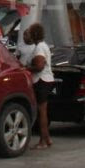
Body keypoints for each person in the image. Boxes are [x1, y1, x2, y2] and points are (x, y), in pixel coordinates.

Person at [22, 22, 55, 150]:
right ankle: (47, 138)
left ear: (34, 35)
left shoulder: (39, 48)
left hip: (41, 81)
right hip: (46, 80)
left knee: (41, 112)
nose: (27, 36)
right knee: (43, 112)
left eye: (29, 33)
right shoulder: (43, 46)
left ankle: (42, 141)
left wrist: (26, 69)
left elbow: (39, 67)